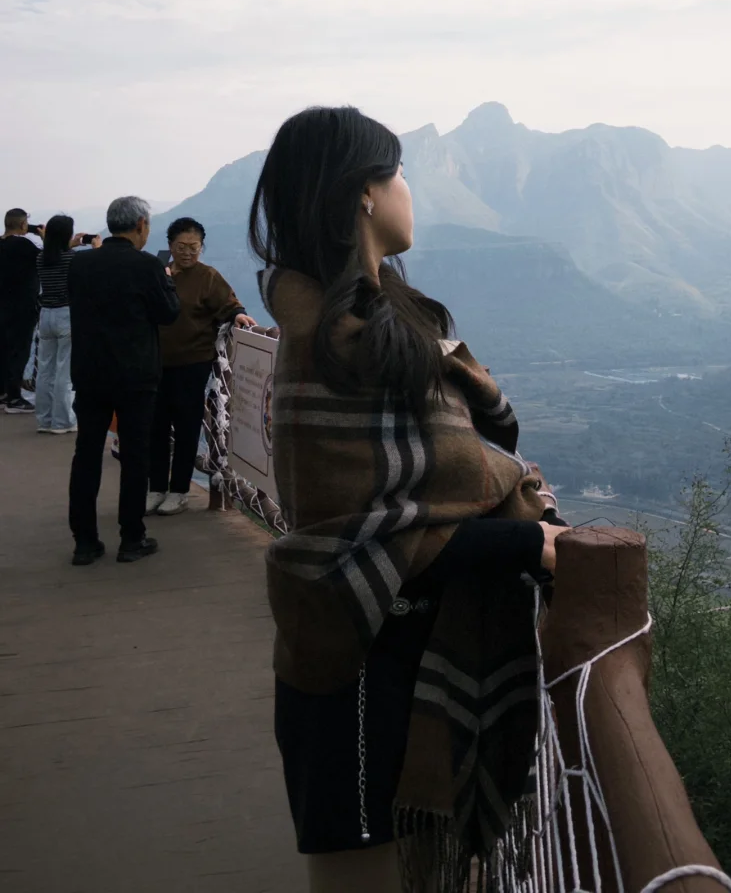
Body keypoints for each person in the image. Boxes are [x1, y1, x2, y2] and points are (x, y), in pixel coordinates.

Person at [250, 107, 568, 893]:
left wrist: (508, 504)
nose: (408, 189)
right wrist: (533, 543)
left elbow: (433, 494)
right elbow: (354, 536)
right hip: (355, 670)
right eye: (397, 173)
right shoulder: (325, 348)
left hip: (417, 658)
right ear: (364, 193)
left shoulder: (384, 328)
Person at [67, 195, 181, 566]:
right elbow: (168, 315)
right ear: (141, 226)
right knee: (135, 456)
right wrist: (166, 282)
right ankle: (132, 538)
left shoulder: (80, 265)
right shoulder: (147, 266)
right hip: (136, 375)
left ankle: (85, 542)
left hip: (89, 372)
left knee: (86, 454)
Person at [148, 216, 257, 516]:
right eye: (181, 246)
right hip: (155, 363)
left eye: (194, 247)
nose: (187, 252)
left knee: (185, 428)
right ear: (170, 245)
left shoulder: (207, 277)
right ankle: (155, 487)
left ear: (201, 247)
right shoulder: (157, 272)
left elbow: (229, 304)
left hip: (192, 364)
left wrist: (238, 316)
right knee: (156, 427)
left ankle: (179, 490)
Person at [35, 214, 100, 434]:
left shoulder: (41, 257)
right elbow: (94, 268)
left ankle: (44, 419)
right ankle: (63, 421)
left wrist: (67, 245)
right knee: (65, 370)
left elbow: (54, 253)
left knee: (45, 368)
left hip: (45, 315)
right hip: (66, 315)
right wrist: (96, 248)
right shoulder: (72, 258)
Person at [0, 208, 42, 412]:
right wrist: (46, 237)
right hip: (22, 306)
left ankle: (3, 394)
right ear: (23, 224)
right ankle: (14, 398)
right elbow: (46, 260)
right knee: (19, 351)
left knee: (3, 349)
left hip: (3, 306)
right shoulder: (24, 245)